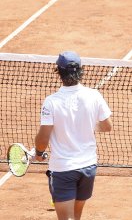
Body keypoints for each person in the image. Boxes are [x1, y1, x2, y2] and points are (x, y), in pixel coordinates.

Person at [34, 51, 113, 220]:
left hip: (63, 170)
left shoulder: (51, 102)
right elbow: (107, 126)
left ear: (59, 72)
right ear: (81, 70)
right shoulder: (94, 96)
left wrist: (39, 153)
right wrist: (87, 124)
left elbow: (43, 138)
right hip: (88, 168)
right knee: (76, 217)